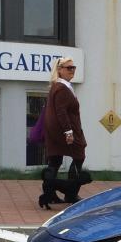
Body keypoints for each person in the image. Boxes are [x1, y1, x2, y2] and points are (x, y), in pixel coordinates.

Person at [39, 56, 86, 209]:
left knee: (55, 161)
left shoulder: (58, 86)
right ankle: (71, 194)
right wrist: (69, 132)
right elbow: (61, 112)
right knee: (79, 156)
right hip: (65, 130)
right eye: (69, 68)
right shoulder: (61, 88)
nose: (72, 70)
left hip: (55, 131)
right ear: (59, 70)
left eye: (74, 67)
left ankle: (50, 194)